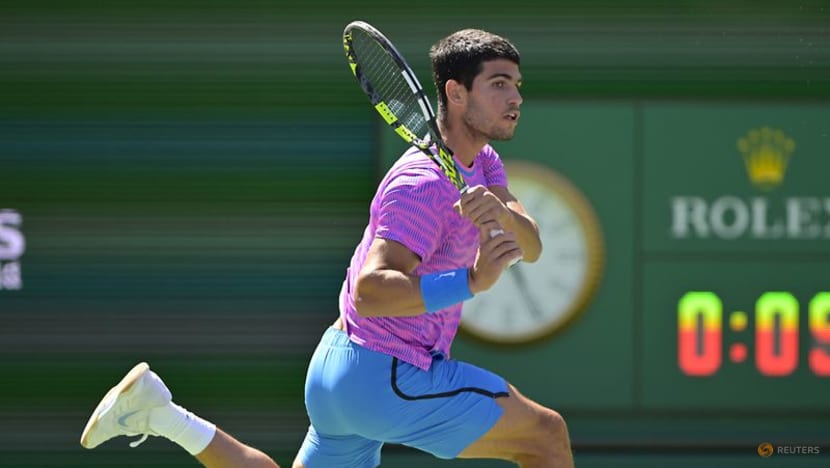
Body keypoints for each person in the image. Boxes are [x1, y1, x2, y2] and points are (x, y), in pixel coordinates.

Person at [80, 28, 575, 468]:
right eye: (499, 84)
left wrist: (504, 214)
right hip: (385, 373)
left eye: (516, 85)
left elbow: (529, 245)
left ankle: (163, 415)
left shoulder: (484, 162)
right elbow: (372, 292)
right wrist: (469, 282)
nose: (515, 97)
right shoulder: (421, 184)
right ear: (456, 93)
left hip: (341, 374)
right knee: (545, 435)